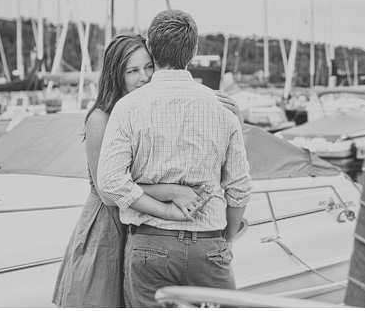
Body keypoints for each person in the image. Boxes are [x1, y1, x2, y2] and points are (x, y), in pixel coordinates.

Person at [52, 33, 243, 307]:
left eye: (149, 67)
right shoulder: (101, 119)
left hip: (145, 229)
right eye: (133, 71)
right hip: (110, 228)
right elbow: (108, 193)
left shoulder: (147, 108)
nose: (143, 77)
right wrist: (171, 192)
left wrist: (235, 119)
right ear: (116, 75)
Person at [97, 9, 252, 307]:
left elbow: (111, 182)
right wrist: (228, 240)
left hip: (149, 246)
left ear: (152, 49)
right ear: (193, 51)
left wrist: (164, 212)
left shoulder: (128, 107)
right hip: (209, 245)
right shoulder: (222, 108)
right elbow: (239, 188)